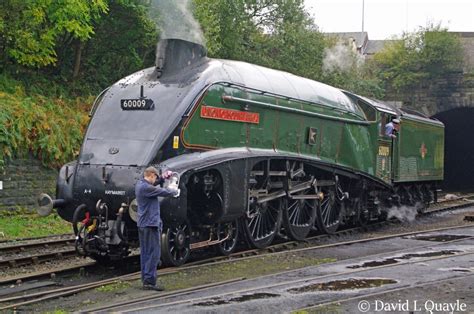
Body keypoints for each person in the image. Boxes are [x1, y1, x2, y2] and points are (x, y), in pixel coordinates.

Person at [135, 166, 179, 291]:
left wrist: (162, 178)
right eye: (155, 177)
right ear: (151, 175)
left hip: (144, 224)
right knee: (153, 253)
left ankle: (146, 279)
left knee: (145, 253)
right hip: (150, 224)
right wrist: (174, 191)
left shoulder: (140, 184)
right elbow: (163, 192)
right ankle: (150, 281)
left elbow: (155, 185)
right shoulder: (146, 188)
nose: (156, 180)